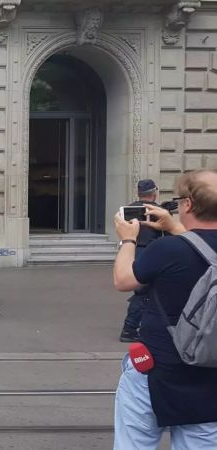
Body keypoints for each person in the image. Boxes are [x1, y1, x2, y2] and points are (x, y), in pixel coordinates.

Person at [112, 169, 217, 448]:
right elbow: (207, 251)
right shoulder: (176, 242)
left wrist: (128, 240)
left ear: (188, 205)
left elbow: (123, 280)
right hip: (210, 380)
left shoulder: (168, 250)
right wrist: (173, 226)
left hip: (157, 371)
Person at [119, 179, 166, 343]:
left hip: (132, 250)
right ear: (154, 192)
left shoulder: (128, 209)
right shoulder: (160, 211)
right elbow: (168, 235)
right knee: (143, 292)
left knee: (143, 290)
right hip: (151, 252)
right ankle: (129, 329)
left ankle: (142, 324)